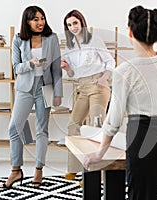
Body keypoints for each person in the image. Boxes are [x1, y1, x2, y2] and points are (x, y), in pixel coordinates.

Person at [83, 5, 157, 200]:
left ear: (129, 32)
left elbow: (114, 119)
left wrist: (99, 153)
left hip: (143, 146)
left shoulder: (125, 71)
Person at [0, 5, 63, 188]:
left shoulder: (52, 38)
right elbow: (16, 68)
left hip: (46, 87)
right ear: (27, 21)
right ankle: (16, 170)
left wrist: (58, 93)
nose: (40, 22)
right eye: (35, 19)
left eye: (42, 18)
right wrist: (30, 63)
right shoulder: (18, 39)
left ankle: (39, 170)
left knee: (42, 130)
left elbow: (56, 68)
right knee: (14, 128)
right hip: (25, 89)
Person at [61, 9, 116, 180]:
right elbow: (72, 75)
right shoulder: (69, 46)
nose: (73, 27)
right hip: (82, 86)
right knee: (73, 125)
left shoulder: (94, 40)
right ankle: (74, 168)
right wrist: (67, 68)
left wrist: (103, 79)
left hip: (98, 86)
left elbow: (110, 61)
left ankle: (95, 173)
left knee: (96, 126)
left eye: (75, 23)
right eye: (69, 25)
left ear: (82, 23)